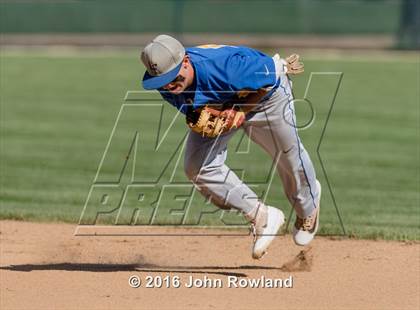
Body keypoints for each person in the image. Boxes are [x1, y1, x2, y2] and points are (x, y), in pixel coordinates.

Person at [140, 34, 321, 259]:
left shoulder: (226, 67)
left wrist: (241, 111)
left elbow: (272, 77)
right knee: (196, 166)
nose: (168, 85)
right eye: (162, 80)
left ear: (185, 61)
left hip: (267, 98)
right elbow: (194, 111)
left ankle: (308, 208)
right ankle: (261, 216)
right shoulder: (167, 85)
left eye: (172, 76)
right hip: (222, 102)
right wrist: (204, 118)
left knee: (288, 155)